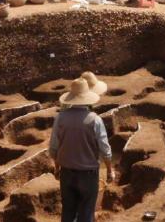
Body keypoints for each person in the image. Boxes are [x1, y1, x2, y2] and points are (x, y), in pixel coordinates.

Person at [48, 77, 114, 222]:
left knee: (68, 212)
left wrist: (57, 168)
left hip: (66, 173)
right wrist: (110, 170)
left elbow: (54, 148)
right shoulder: (95, 120)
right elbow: (105, 149)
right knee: (86, 212)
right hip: (88, 175)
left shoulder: (60, 117)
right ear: (88, 98)